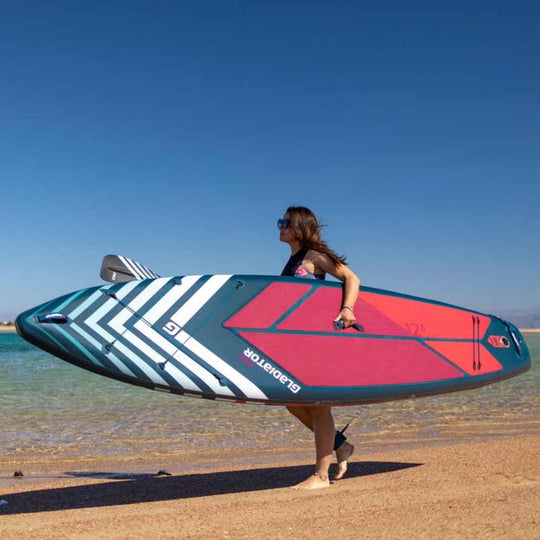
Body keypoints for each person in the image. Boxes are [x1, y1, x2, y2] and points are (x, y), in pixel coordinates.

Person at [278, 206, 360, 489]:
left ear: (299, 226)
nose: (280, 226)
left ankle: (321, 476)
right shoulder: (291, 262)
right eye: (281, 222)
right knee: (291, 401)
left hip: (317, 341)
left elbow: (352, 278)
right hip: (297, 343)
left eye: (285, 222)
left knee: (318, 406)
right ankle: (340, 445)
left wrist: (347, 309)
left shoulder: (315, 257)